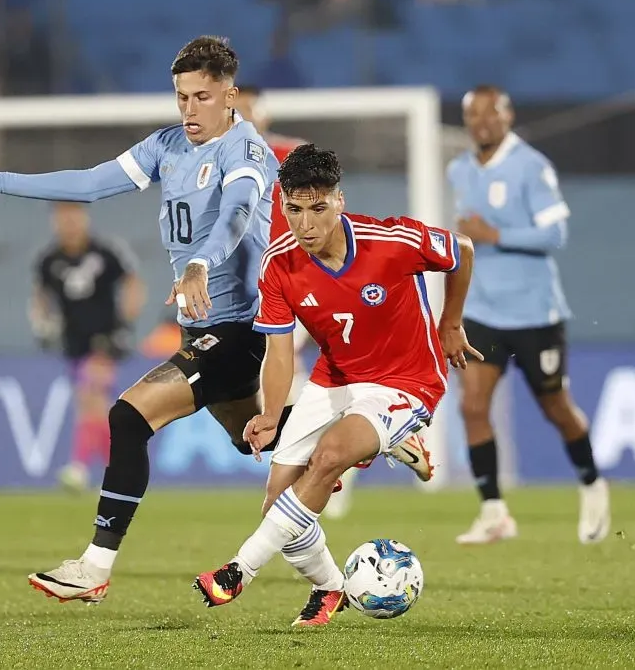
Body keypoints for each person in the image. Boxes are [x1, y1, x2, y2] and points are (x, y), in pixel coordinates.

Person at [0, 36, 430, 604]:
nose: (189, 110)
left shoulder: (249, 152)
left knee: (127, 418)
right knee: (253, 438)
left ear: (229, 94)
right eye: (182, 97)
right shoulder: (168, 146)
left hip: (241, 327)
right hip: (203, 326)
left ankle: (94, 567)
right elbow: (92, 184)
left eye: (202, 97)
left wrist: (197, 264)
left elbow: (238, 215)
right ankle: (381, 442)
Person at [193, 144, 479, 627]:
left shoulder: (390, 240)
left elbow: (462, 251)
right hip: (335, 377)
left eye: (318, 209)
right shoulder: (279, 264)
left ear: (339, 201)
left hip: (406, 380)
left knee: (328, 457)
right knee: (279, 504)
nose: (306, 225)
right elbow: (280, 353)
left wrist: (451, 322)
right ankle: (329, 586)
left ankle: (238, 570)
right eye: (295, 210)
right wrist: (268, 413)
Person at [447, 85, 610, 546]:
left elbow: (555, 234)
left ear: (507, 115)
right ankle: (494, 511)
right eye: (472, 113)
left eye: (489, 112)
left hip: (535, 312)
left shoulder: (532, 166)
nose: (480, 121)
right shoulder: (458, 169)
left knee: (555, 407)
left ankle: (593, 484)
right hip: (483, 311)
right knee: (472, 405)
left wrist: (493, 233)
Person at [235, 85, 369, 519]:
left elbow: (326, 196)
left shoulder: (289, 157)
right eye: (236, 112)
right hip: (268, 289)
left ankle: (337, 459)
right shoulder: (219, 166)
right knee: (291, 382)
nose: (242, 119)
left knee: (298, 375)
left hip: (310, 281)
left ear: (264, 116)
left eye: (248, 111)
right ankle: (339, 457)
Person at [29, 202, 144, 493]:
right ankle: (120, 473)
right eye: (62, 217)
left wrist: (124, 325)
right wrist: (42, 324)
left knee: (89, 396)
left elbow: (133, 284)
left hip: (105, 339)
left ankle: (79, 467)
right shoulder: (49, 260)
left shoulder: (104, 253)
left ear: (85, 218)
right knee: (94, 407)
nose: (69, 223)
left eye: (74, 216)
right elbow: (40, 296)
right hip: (74, 342)